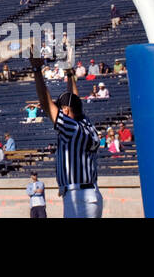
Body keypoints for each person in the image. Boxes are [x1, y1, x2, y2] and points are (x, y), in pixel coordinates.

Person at [29, 56, 101, 218]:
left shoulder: (72, 128)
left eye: (61, 109)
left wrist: (36, 70)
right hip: (89, 194)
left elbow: (45, 103)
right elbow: (73, 98)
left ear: (67, 111)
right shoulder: (85, 123)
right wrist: (69, 74)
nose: (60, 112)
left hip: (79, 197)